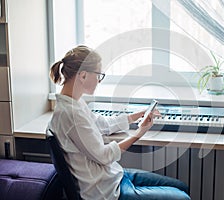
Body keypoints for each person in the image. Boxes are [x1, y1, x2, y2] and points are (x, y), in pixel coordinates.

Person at [48, 45, 190, 200]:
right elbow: (104, 155)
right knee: (183, 198)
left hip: (112, 176)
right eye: (98, 75)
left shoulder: (75, 103)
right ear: (82, 75)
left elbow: (103, 124)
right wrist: (139, 133)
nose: (99, 80)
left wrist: (136, 116)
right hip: (104, 191)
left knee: (182, 188)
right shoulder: (71, 115)